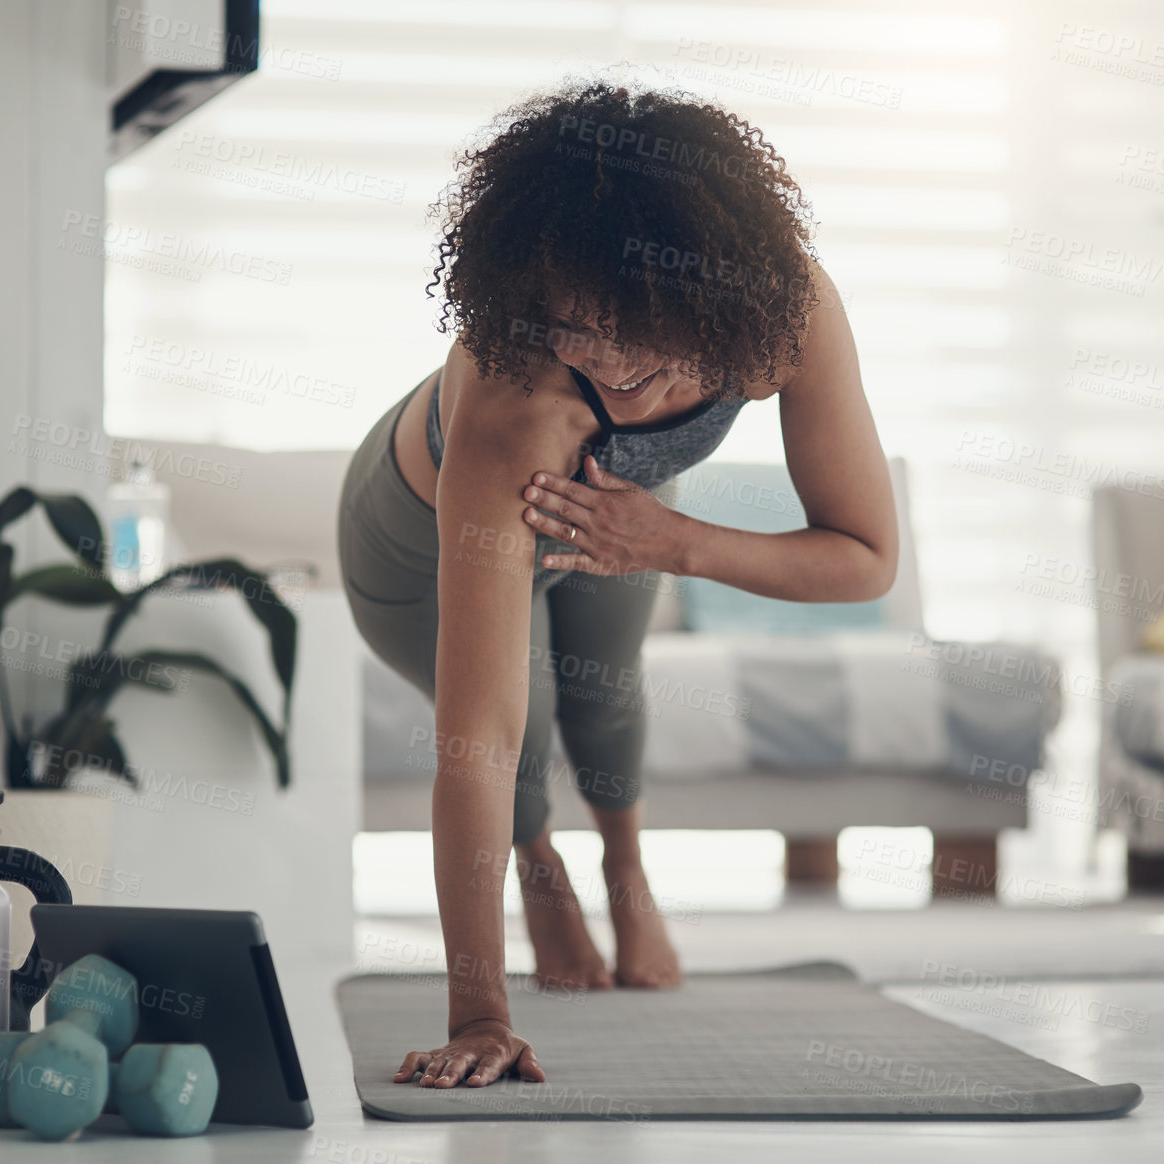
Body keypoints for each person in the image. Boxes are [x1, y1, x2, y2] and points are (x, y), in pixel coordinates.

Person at [336, 80, 898, 1090]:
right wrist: (478, 1014)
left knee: (608, 696)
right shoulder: (522, 408)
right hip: (417, 540)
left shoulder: (786, 317)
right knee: (530, 732)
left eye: (637, 327)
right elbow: (478, 741)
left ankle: (625, 874)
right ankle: (544, 871)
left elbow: (863, 559)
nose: (606, 355)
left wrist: (670, 540)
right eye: (573, 325)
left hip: (620, 505)